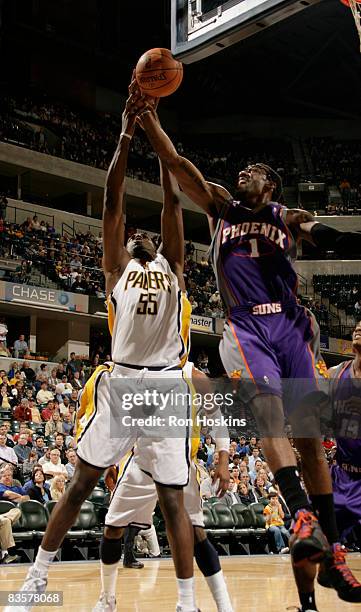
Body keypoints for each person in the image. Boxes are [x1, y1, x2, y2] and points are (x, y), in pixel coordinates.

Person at [135, 89, 361, 607]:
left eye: (256, 170)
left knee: (309, 436)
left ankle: (331, 550)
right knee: (266, 414)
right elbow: (175, 162)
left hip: (292, 326)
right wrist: (148, 120)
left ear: (272, 183)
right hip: (245, 327)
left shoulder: (287, 215)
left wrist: (337, 236)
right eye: (244, 170)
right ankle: (301, 509)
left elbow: (327, 237)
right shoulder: (220, 205)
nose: (246, 173)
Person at [11, 91, 200, 612]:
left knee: (171, 498)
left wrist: (160, 145)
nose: (140, 235)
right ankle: (34, 584)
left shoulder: (174, 267)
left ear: (160, 247)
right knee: (78, 485)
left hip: (163, 384)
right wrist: (123, 134)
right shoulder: (116, 269)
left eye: (149, 236)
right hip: (120, 382)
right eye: (133, 235)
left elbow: (172, 202)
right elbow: (113, 200)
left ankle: (187, 603)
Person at [93, 361, 233, 612]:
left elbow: (217, 418)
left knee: (197, 533)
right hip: (142, 462)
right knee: (113, 528)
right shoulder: (139, 371)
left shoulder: (193, 374)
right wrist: (112, 460)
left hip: (180, 464)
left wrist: (223, 460)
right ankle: (107, 599)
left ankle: (224, 605)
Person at [325, 321, 361, 569]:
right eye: (357, 326)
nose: (359, 328)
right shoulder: (335, 373)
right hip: (343, 475)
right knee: (323, 547)